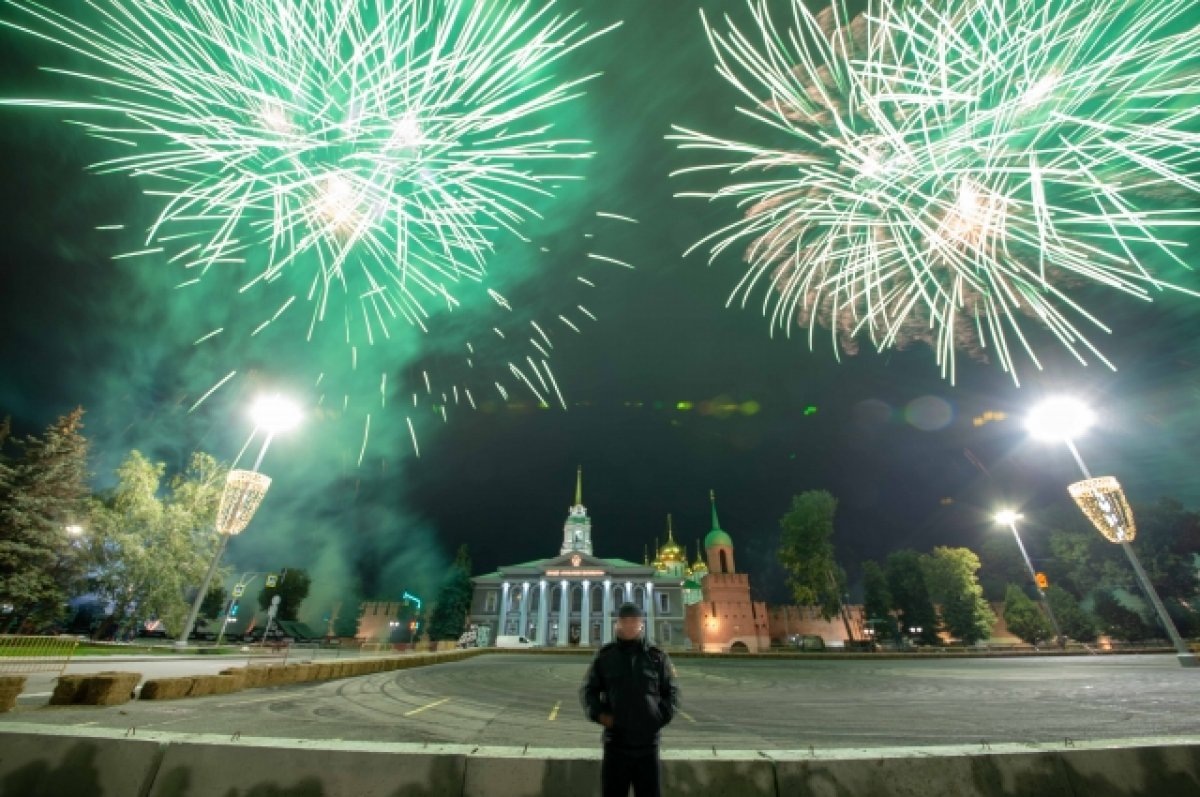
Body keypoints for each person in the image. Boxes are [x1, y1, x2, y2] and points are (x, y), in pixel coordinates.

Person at [580, 602, 680, 797]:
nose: (629, 625)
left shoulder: (657, 657)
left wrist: (658, 718)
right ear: (617, 624)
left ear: (641, 624)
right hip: (616, 745)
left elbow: (672, 692)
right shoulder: (605, 657)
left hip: (648, 747)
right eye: (624, 621)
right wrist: (600, 715)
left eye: (634, 621)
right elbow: (589, 691)